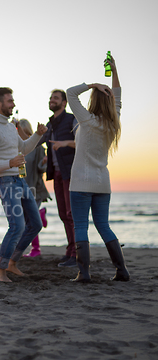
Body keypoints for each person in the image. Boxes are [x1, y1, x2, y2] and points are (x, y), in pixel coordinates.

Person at [65, 56, 129, 283]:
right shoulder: (114, 122)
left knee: (81, 226)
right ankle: (122, 271)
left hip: (81, 182)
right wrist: (115, 70)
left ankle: (83, 273)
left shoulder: (87, 120)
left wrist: (92, 84)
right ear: (109, 102)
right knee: (104, 226)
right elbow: (118, 95)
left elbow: (70, 93)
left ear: (94, 100)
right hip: (102, 182)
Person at [0, 87, 47, 282]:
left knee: (35, 224)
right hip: (4, 182)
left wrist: (37, 135)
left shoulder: (10, 127)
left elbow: (24, 148)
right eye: (10, 101)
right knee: (16, 226)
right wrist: (10, 163)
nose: (13, 104)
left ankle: (12, 263)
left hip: (20, 180)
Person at [37, 89, 78, 267]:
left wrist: (65, 143)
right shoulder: (50, 124)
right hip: (56, 173)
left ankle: (76, 254)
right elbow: (35, 143)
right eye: (51, 98)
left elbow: (82, 143)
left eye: (55, 98)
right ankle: (70, 251)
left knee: (71, 214)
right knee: (63, 214)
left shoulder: (71, 120)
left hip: (70, 173)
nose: (52, 100)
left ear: (64, 102)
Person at [16, 119, 51, 257]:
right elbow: (20, 170)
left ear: (27, 131)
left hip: (35, 189)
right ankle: (41, 214)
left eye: (21, 131)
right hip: (22, 189)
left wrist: (43, 163)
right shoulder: (18, 147)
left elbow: (41, 169)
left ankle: (35, 249)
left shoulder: (38, 147)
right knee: (27, 220)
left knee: (30, 221)